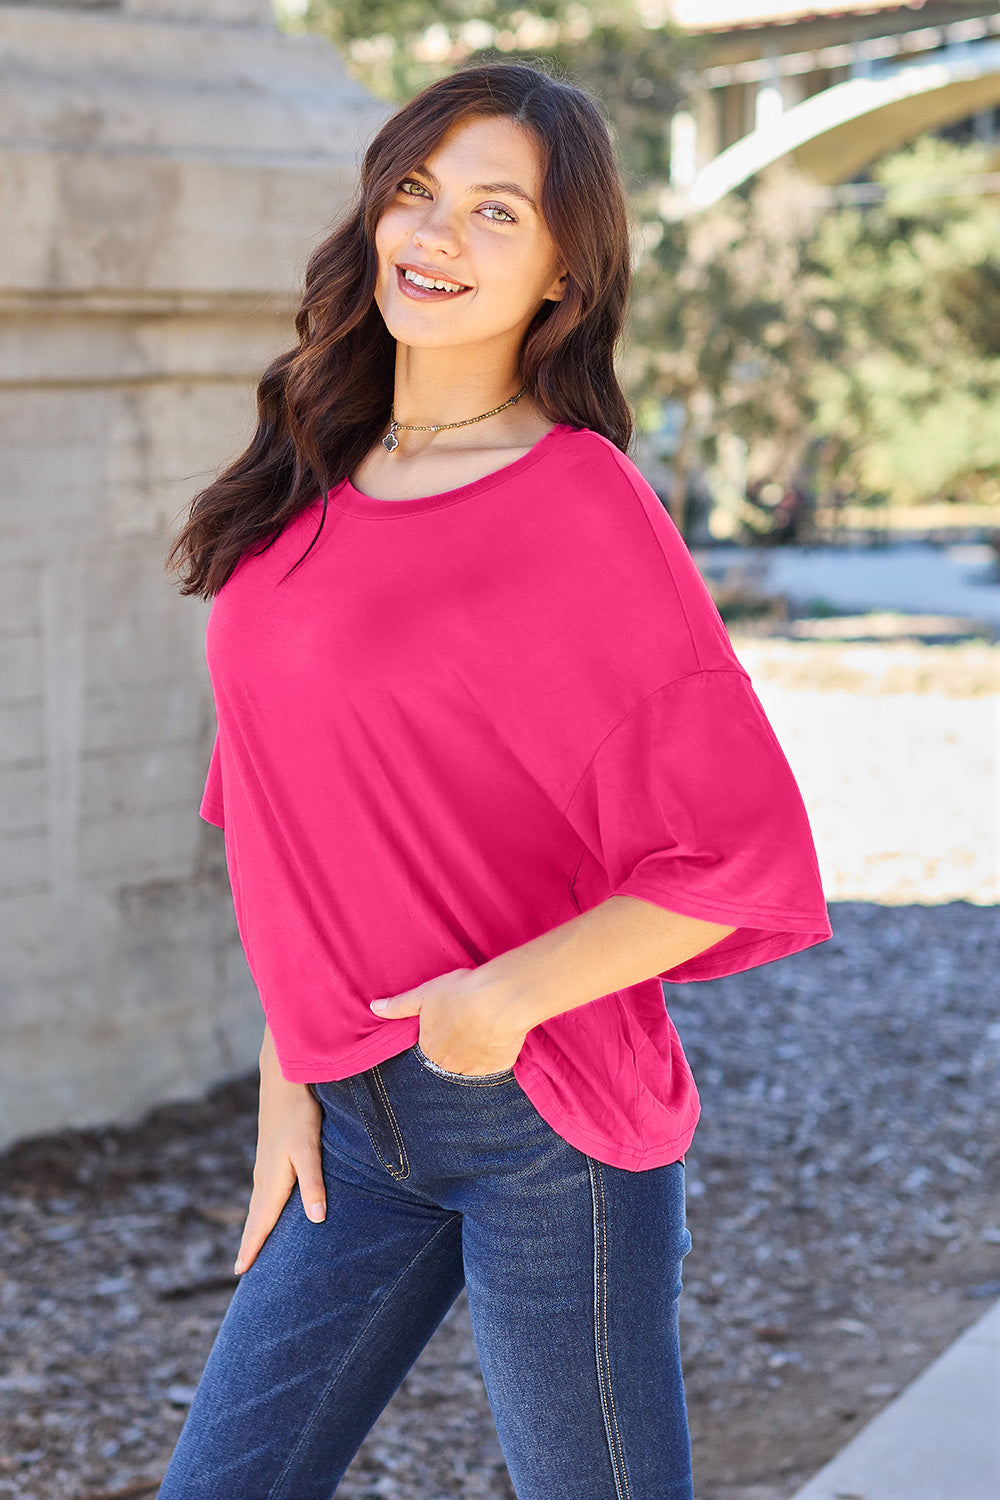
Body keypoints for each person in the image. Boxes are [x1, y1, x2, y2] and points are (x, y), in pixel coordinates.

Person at [159, 60, 831, 1500]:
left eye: (493, 211)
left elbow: (739, 856)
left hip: (543, 1118)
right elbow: (292, 810)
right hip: (347, 1114)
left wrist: (499, 1001)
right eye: (416, 191)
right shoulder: (312, 473)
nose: (435, 235)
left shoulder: (584, 507)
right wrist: (289, 1074)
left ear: (560, 280)